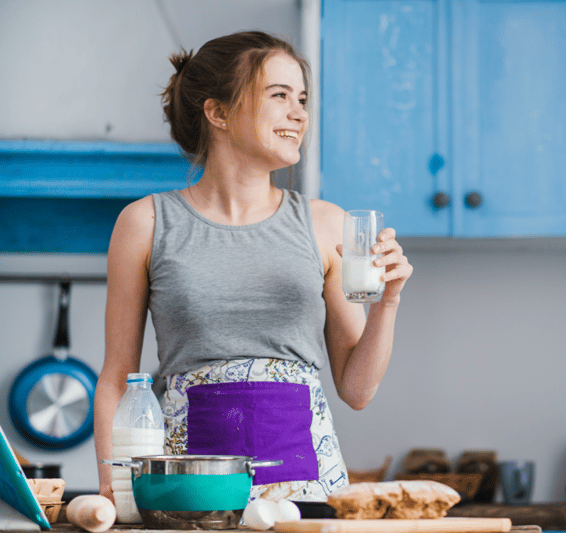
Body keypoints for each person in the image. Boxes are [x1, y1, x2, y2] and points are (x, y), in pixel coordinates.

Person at [94, 30, 413, 503]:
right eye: (279, 95)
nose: (299, 113)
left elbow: (357, 389)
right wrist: (115, 492)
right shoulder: (145, 223)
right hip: (188, 491)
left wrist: (389, 300)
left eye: (302, 98)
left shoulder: (327, 225)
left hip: (308, 494)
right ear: (218, 112)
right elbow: (118, 377)